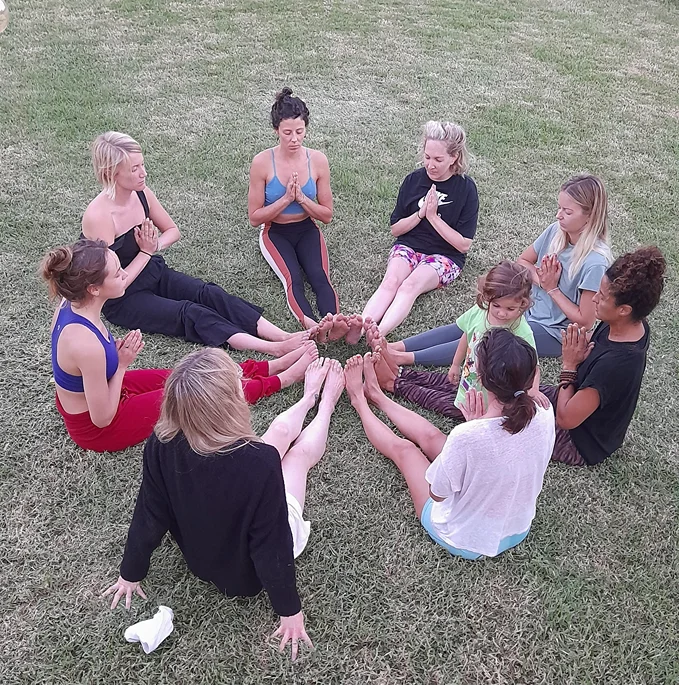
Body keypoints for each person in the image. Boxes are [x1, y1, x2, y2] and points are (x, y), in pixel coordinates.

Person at [103, 353, 345, 660]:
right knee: (297, 459)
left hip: (206, 547)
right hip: (244, 575)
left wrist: (130, 573)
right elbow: (272, 545)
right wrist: (289, 611)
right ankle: (326, 405)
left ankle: (309, 396)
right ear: (230, 404)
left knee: (280, 435)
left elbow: (150, 512)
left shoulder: (161, 443)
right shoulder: (259, 463)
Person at [82, 131, 308, 356]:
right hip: (123, 298)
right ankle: (273, 348)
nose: (144, 173)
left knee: (209, 293)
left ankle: (282, 335)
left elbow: (172, 231)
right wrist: (146, 252)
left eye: (142, 164)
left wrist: (154, 247)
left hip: (152, 272)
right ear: (111, 173)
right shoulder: (100, 216)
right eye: (134, 169)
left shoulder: (141, 194)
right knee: (190, 312)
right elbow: (113, 285)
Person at [345, 329, 555, 560]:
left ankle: (359, 400)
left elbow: (437, 495)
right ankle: (377, 395)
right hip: (517, 529)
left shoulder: (467, 437)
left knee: (406, 451)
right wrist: (476, 427)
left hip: (466, 538)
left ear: (481, 378)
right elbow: (499, 450)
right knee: (433, 437)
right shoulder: (545, 411)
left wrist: (473, 429)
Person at [388, 174, 611, 362]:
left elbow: (585, 321)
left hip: (555, 333)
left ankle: (405, 358)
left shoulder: (595, 263)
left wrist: (552, 289)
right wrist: (542, 281)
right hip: (527, 310)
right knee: (475, 318)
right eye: (559, 207)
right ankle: (397, 346)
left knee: (489, 334)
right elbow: (523, 262)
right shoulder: (555, 231)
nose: (558, 215)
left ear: (589, 215)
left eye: (567, 212)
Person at [366, 261, 549, 418]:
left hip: (496, 393)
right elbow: (466, 336)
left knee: (473, 414)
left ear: (523, 304)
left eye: (510, 309)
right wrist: (455, 364)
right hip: (471, 377)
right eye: (496, 306)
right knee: (460, 402)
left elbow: (533, 364)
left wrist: (533, 390)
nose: (502, 313)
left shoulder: (522, 330)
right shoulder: (480, 311)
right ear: (487, 297)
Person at [540, 246, 666, 466]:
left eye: (603, 296)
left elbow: (566, 419)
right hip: (574, 399)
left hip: (580, 441)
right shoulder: (630, 325)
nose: (595, 299)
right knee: (513, 387)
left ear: (624, 309)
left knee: (507, 419)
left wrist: (569, 365)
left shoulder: (617, 364)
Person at [41, 240, 171, 452]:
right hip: (100, 430)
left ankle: (234, 374)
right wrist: (121, 365)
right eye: (118, 273)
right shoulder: (86, 345)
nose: (125, 275)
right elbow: (102, 419)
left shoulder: (70, 303)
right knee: (191, 394)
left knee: (180, 377)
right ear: (93, 289)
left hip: (104, 390)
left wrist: (145, 254)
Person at [249, 88, 351, 339]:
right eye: (287, 133)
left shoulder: (318, 160)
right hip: (275, 231)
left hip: (307, 228)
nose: (294, 139)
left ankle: (333, 322)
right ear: (276, 130)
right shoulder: (262, 162)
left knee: (319, 276)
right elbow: (254, 217)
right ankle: (311, 326)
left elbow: (326, 215)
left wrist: (302, 199)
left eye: (299, 131)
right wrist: (285, 199)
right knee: (293, 278)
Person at [361, 121, 479, 336]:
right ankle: (361, 327)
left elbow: (463, 245)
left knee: (410, 286)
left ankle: (377, 334)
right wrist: (420, 214)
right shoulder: (413, 180)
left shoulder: (466, 189)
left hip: (445, 255)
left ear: (454, 157)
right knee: (391, 282)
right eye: (427, 157)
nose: (430, 165)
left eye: (438, 159)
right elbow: (396, 229)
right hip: (409, 245)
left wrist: (433, 217)